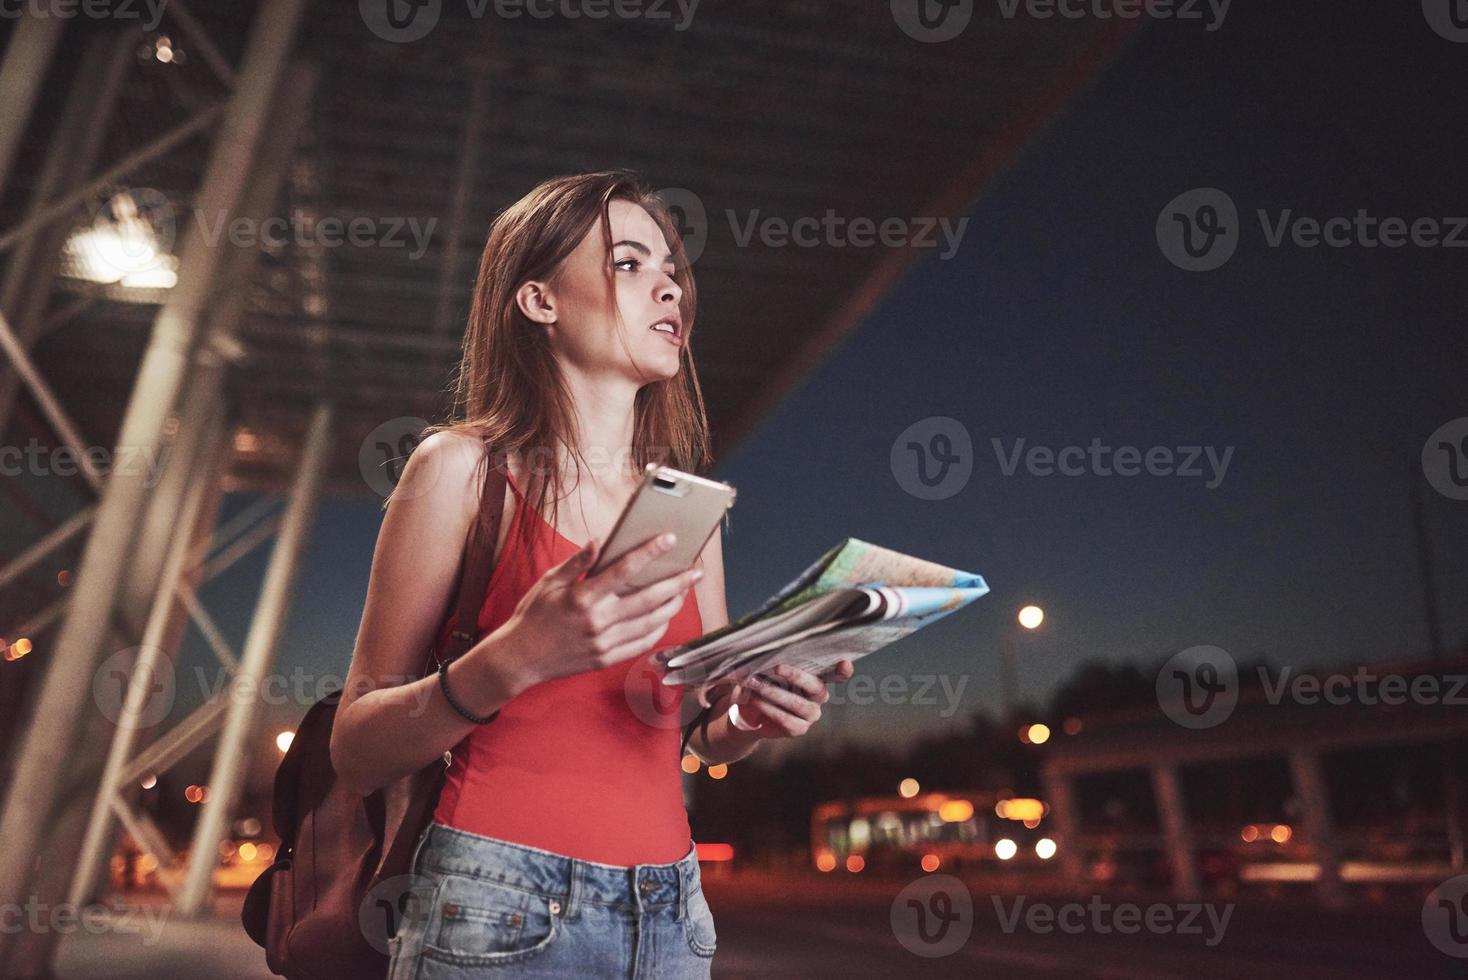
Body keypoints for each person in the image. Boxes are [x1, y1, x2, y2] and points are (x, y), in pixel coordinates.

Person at [330, 170, 854, 979]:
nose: (670, 286)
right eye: (630, 263)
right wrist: (514, 656)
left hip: (674, 912)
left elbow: (697, 734)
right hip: (495, 900)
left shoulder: (686, 510)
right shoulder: (460, 472)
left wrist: (751, 717)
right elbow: (356, 746)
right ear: (540, 302)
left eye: (673, 270)